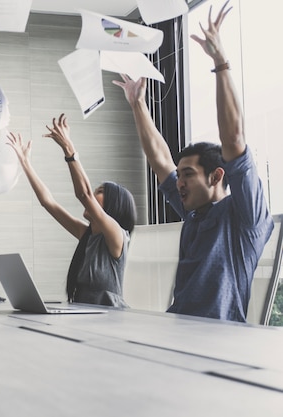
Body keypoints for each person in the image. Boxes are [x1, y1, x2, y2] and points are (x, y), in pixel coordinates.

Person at [113, 1, 273, 322]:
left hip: (216, 339)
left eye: (187, 175)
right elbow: (160, 160)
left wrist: (221, 63)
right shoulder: (194, 212)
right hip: (177, 327)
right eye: (180, 176)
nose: (179, 183)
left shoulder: (244, 216)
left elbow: (234, 140)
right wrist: (137, 104)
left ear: (216, 176)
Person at [7, 114, 137, 307]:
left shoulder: (117, 235)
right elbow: (48, 202)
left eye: (99, 192)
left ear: (114, 205)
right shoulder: (87, 234)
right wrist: (25, 163)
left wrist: (69, 148)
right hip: (83, 315)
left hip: (111, 320)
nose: (93, 193)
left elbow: (84, 195)